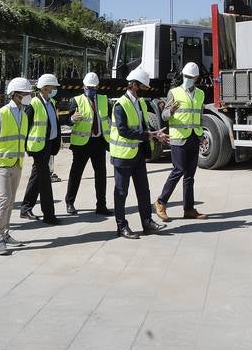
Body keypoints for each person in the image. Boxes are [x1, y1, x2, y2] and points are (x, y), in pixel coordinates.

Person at [110, 68, 168, 240]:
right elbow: (123, 131)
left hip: (138, 154)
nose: (143, 89)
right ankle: (121, 227)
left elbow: (144, 127)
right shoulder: (121, 105)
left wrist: (156, 134)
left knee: (144, 191)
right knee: (121, 192)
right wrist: (147, 135)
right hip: (123, 155)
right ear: (133, 85)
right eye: (141, 86)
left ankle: (147, 222)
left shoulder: (141, 103)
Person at [0, 78, 33, 255]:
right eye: (25, 93)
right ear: (16, 94)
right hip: (1, 164)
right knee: (3, 199)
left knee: (11, 201)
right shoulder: (2, 113)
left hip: (17, 163)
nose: (28, 96)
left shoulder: (24, 114)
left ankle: (5, 233)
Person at [156, 62, 206, 222]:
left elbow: (199, 115)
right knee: (178, 170)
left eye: (191, 77)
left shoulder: (200, 94)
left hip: (194, 136)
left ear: (196, 78)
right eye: (186, 76)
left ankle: (189, 209)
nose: (188, 79)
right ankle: (161, 202)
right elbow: (163, 116)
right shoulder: (174, 92)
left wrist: (201, 133)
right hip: (178, 138)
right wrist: (170, 111)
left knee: (190, 176)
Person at [64, 72, 111, 216]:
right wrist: (72, 119)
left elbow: (108, 119)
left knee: (101, 175)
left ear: (97, 87)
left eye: (93, 87)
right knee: (76, 174)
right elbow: (67, 120)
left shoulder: (104, 99)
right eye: (88, 87)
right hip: (82, 144)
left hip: (99, 142)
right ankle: (70, 202)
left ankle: (101, 205)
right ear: (83, 86)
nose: (91, 90)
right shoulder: (76, 100)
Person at [19, 73, 61, 225]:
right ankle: (49, 214)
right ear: (44, 88)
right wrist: (25, 147)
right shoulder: (33, 104)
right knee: (44, 180)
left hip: (48, 145)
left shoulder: (52, 102)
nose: (54, 89)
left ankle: (25, 208)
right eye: (52, 86)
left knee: (37, 177)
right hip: (38, 147)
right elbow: (25, 126)